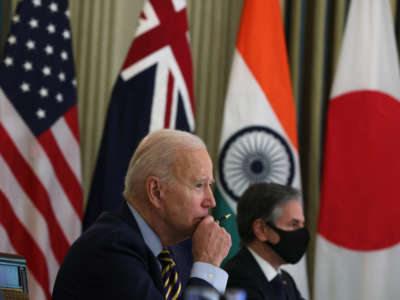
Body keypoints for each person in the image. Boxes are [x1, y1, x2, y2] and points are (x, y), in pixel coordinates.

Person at [52, 129, 232, 300]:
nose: (211, 201)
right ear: (155, 191)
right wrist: (208, 265)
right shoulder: (110, 248)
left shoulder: (178, 253)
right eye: (199, 185)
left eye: (210, 185)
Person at [223, 182, 309, 300]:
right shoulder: (238, 279)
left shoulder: (286, 280)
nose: (301, 232)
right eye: (293, 224)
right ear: (261, 229)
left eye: (302, 224)